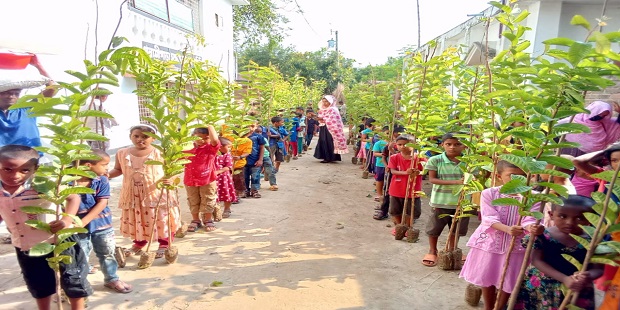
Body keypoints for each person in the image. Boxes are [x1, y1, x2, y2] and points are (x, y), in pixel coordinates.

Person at [0, 145, 92, 309]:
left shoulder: (43, 185)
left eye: (24, 170)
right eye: (7, 169)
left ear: (36, 169)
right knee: (38, 284)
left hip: (57, 242)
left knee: (72, 281)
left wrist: (66, 221)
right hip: (25, 246)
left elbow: (73, 197)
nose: (15, 175)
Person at [459, 160, 543, 310]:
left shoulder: (534, 197)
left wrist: (532, 227)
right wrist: (507, 229)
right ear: (499, 176)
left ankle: (499, 307)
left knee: (509, 278)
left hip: (517, 246)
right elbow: (488, 217)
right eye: (512, 175)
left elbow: (530, 218)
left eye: (523, 176)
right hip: (490, 244)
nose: (519, 180)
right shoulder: (489, 193)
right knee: (487, 276)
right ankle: (488, 306)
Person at [515, 195, 602, 310]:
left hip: (576, 290)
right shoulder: (543, 236)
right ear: (551, 215)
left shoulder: (593, 241)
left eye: (580, 218)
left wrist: (587, 276)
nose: (569, 222)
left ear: (592, 219)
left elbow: (599, 268)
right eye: (562, 216)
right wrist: (565, 279)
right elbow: (536, 261)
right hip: (543, 288)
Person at [108, 125, 180, 259]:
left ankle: (164, 243)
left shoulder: (160, 152)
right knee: (138, 218)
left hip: (155, 193)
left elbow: (174, 170)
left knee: (160, 217)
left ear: (153, 138)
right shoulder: (122, 153)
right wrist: (106, 175)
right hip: (133, 193)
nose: (140, 139)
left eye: (145, 136)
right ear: (130, 136)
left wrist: (171, 179)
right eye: (136, 136)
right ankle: (140, 242)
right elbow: (118, 169)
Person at [74, 149, 132, 293]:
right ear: (88, 165)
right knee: (80, 255)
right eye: (104, 165)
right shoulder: (67, 183)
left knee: (106, 252)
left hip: (101, 225)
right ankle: (79, 285)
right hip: (76, 228)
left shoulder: (101, 180)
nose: (107, 169)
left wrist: (84, 221)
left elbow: (102, 203)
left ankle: (112, 278)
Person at [422, 133, 468, 267]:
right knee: (434, 228)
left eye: (457, 144)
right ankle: (432, 250)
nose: (452, 147)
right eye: (448, 144)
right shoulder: (435, 160)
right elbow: (432, 179)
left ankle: (452, 249)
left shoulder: (469, 162)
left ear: (465, 146)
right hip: (441, 201)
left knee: (456, 229)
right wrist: (456, 182)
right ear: (442, 145)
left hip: (461, 203)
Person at [0, 55, 55, 148]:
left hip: (28, 159)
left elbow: (52, 88)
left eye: (16, 93)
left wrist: (38, 65)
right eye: (6, 93)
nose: (11, 96)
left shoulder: (27, 109)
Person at [182, 126, 221, 232]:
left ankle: (208, 219)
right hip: (190, 180)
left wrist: (210, 126)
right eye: (199, 137)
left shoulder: (210, 149)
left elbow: (215, 140)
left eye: (206, 138)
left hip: (207, 179)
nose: (202, 140)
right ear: (192, 137)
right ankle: (195, 220)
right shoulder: (186, 150)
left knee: (208, 198)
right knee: (193, 199)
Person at [387, 134, 425, 231]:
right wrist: (406, 172)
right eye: (399, 144)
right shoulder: (394, 157)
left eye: (405, 144)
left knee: (411, 211)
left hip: (413, 190)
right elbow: (393, 171)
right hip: (397, 189)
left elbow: (425, 171)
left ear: (414, 145)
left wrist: (418, 172)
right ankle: (399, 227)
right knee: (395, 210)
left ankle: (408, 227)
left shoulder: (420, 158)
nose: (402, 147)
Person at [314, 95, 349, 163]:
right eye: (323, 101)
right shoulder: (322, 109)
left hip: (331, 129)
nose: (324, 103)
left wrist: (322, 118)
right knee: (323, 141)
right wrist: (318, 118)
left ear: (330, 101)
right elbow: (321, 117)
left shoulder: (333, 109)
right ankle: (325, 157)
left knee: (329, 141)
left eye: (326, 101)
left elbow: (333, 119)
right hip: (323, 127)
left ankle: (330, 157)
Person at [215, 137, 237, 219]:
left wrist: (218, 172)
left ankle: (227, 209)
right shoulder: (213, 154)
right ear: (220, 147)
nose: (229, 149)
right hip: (213, 178)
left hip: (224, 178)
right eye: (228, 147)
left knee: (226, 193)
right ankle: (216, 211)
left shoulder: (227, 155)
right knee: (214, 194)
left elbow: (228, 167)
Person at [245, 123, 266, 198]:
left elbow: (262, 148)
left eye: (253, 126)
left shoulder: (258, 136)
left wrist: (260, 159)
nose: (250, 128)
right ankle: (245, 190)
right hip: (243, 161)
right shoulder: (240, 137)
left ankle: (254, 191)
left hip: (255, 160)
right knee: (244, 177)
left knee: (255, 176)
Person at [231, 131, 253, 200]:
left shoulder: (247, 141)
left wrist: (240, 157)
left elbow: (247, 152)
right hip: (229, 163)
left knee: (239, 179)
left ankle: (238, 195)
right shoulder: (231, 138)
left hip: (239, 163)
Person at [255, 126, 278, 191]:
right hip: (256, 157)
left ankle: (273, 184)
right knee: (256, 171)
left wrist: (271, 158)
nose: (259, 133)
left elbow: (268, 149)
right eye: (257, 132)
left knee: (270, 171)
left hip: (265, 156)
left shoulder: (264, 139)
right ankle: (257, 185)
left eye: (260, 132)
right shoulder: (251, 139)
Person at [372, 126, 389, 201]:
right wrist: (384, 154)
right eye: (387, 133)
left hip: (391, 165)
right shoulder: (379, 143)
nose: (389, 135)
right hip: (380, 164)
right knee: (379, 179)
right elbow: (375, 154)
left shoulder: (395, 144)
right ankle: (379, 194)